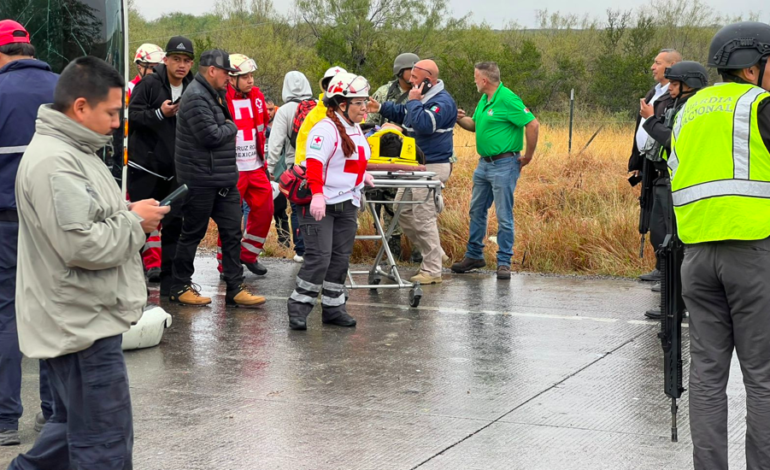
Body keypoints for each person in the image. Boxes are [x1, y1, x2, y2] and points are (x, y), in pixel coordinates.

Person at [7, 56, 169, 470]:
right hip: (81, 326)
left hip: (80, 318)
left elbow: (83, 218)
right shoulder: (56, 161)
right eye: (112, 112)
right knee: (105, 445)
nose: (117, 123)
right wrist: (135, 223)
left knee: (70, 433)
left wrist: (127, 212)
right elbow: (81, 245)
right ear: (81, 107)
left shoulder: (75, 150)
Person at [668, 21, 770, 470]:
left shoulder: (685, 112)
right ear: (752, 66)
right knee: (763, 378)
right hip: (752, 251)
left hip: (696, 257)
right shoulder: (760, 106)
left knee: (707, 377)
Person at [171, 49, 265, 307]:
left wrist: (225, 124)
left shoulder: (214, 94)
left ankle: (235, 288)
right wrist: (231, 126)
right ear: (212, 70)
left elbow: (219, 128)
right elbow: (211, 135)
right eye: (227, 73)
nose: (229, 78)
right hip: (201, 179)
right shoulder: (196, 97)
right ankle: (179, 286)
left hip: (223, 179)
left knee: (233, 232)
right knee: (192, 233)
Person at [0, 18, 57, 447]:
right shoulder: (65, 89)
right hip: (57, 223)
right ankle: (54, 414)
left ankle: (4, 420)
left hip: (6, 222)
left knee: (6, 316)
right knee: (52, 312)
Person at [287, 72, 375, 331]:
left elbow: (352, 160)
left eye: (365, 101)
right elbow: (314, 164)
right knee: (319, 258)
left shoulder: (354, 128)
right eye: (358, 102)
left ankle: (334, 308)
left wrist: (364, 175)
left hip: (347, 202)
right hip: (321, 204)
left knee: (340, 258)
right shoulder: (325, 129)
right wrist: (316, 195)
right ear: (341, 104)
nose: (364, 107)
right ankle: (299, 308)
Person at [367, 59, 457, 284]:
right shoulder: (422, 98)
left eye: (415, 79)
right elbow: (405, 112)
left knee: (422, 215)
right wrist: (380, 108)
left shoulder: (442, 102)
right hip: (415, 167)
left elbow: (425, 123)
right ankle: (435, 252)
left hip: (432, 166)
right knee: (402, 210)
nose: (410, 82)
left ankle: (432, 269)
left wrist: (415, 102)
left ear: (428, 80)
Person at [453, 61, 540, 280]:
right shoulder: (485, 99)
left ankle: (504, 262)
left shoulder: (507, 98)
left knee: (503, 214)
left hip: (504, 164)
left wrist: (528, 155)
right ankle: (474, 255)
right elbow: (475, 126)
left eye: (475, 77)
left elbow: (532, 124)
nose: (474, 80)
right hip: (484, 164)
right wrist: (458, 118)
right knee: (477, 210)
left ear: (484, 80)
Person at [638, 60, 708, 320]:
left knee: (675, 244)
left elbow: (672, 140)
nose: (671, 89)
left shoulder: (692, 108)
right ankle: (674, 304)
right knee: (667, 241)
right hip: (667, 178)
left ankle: (676, 306)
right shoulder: (678, 104)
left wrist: (650, 120)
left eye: (676, 84)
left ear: (690, 84)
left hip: (681, 182)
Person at [128, 36, 194, 296]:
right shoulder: (148, 84)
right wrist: (159, 114)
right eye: (176, 59)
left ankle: (170, 286)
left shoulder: (193, 87)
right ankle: (128, 284)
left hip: (177, 169)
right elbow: (131, 117)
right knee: (140, 226)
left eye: (186, 60)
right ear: (165, 60)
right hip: (145, 168)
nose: (181, 65)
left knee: (174, 226)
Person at [215, 53, 272, 276]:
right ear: (231, 78)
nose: (251, 80)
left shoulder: (257, 96)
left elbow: (262, 127)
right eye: (245, 76)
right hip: (233, 168)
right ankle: (225, 264)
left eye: (251, 75)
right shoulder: (221, 97)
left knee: (265, 210)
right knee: (229, 218)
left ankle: (247, 254)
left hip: (255, 166)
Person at [628, 49, 681, 285]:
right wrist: (637, 163)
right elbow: (641, 129)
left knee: (666, 221)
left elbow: (664, 131)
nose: (652, 66)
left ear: (672, 66)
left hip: (667, 168)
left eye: (657, 63)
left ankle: (668, 273)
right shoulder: (655, 92)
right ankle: (661, 268)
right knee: (654, 218)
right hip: (650, 165)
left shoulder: (677, 96)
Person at [366, 53, 420, 261]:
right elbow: (370, 123)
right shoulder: (383, 93)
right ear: (400, 71)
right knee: (388, 204)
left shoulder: (422, 93)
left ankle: (419, 253)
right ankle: (393, 253)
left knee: (416, 204)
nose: (414, 74)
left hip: (412, 157)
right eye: (410, 70)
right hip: (385, 158)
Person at [126, 42, 166, 283]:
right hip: (135, 161)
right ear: (140, 67)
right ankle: (149, 261)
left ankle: (154, 262)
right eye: (151, 69)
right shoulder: (129, 90)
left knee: (156, 211)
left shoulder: (164, 91)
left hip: (159, 160)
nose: (154, 73)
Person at [267, 71, 314, 263]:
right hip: (318, 165)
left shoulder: (284, 111)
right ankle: (318, 247)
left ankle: (302, 250)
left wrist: (269, 169)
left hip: (296, 168)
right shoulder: (317, 107)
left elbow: (275, 143)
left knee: (297, 209)